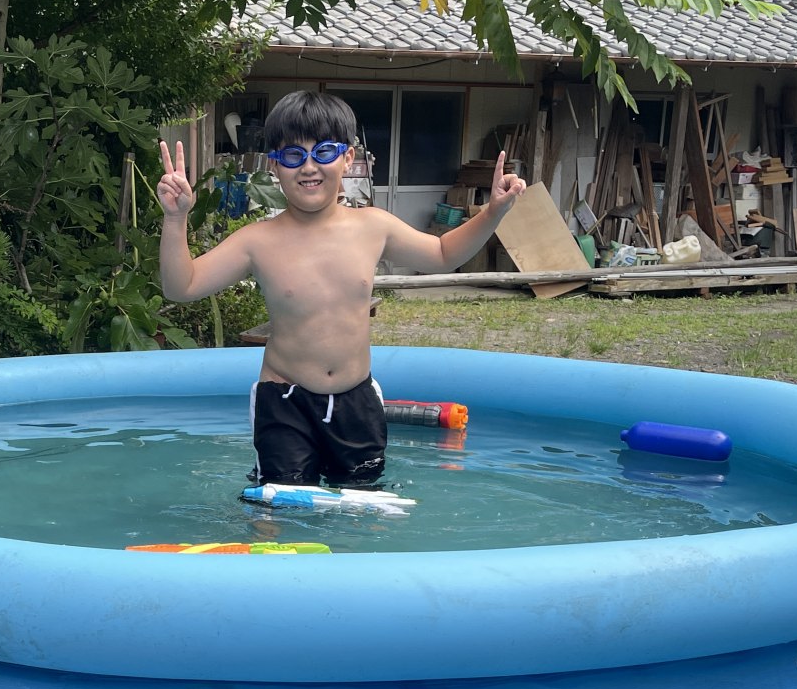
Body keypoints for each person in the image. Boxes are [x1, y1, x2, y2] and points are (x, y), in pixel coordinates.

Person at [158, 89, 525, 486]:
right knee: (283, 500)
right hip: (286, 400)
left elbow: (442, 253)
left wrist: (493, 212)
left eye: (324, 152)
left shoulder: (372, 226)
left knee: (361, 498)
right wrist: (176, 219)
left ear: (348, 158)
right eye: (293, 155)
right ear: (275, 165)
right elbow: (183, 286)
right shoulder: (257, 241)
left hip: (356, 399)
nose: (309, 167)